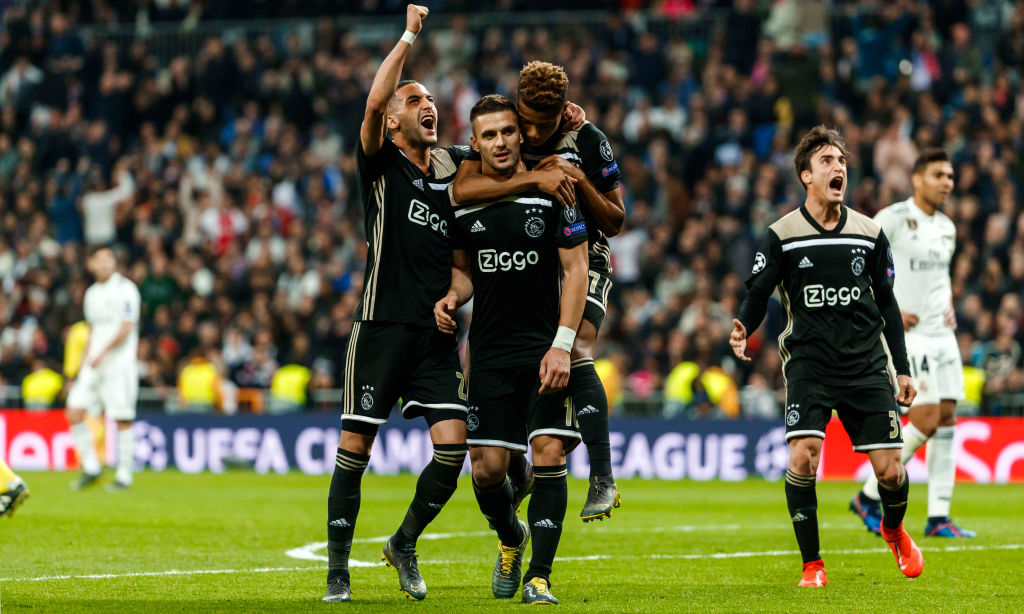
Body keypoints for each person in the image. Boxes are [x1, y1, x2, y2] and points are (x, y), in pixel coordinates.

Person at [729, 126, 922, 587]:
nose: (839, 168)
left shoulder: (869, 234)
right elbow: (759, 291)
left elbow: (888, 304)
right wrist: (742, 325)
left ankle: (892, 529)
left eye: (842, 161)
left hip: (865, 365)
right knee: (803, 459)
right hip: (809, 363)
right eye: (827, 161)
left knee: (891, 472)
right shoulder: (783, 234)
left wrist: (902, 368)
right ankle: (812, 565)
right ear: (806, 176)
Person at [323, 5, 472, 603]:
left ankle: (404, 540)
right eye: (413, 100)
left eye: (431, 98)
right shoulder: (379, 162)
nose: (427, 105)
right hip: (381, 327)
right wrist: (409, 36)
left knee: (454, 446)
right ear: (390, 120)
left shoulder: (452, 171)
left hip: (433, 336)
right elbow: (372, 102)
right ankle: (337, 571)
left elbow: (464, 268)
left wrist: (455, 298)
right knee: (355, 446)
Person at [452, 60, 626, 522]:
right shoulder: (505, 128)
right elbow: (463, 189)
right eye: (524, 120)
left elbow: (616, 220)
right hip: (539, 261)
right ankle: (519, 463)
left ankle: (604, 477)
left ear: (561, 114)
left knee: (578, 344)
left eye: (539, 125)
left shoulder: (587, 139)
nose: (527, 132)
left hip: (585, 256)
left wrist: (577, 179)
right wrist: (536, 176)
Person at [436, 94, 589, 605]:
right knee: (487, 470)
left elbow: (575, 270)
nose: (500, 142)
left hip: (546, 347)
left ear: (521, 134)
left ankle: (540, 577)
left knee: (548, 452)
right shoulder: (467, 198)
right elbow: (464, 271)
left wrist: (563, 345)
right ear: (473, 144)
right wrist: (454, 297)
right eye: (489, 135)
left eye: (507, 132)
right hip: (489, 353)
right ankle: (511, 537)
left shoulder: (557, 191)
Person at [850, 149, 975, 538]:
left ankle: (939, 517)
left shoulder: (948, 228)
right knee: (926, 419)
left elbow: (939, 277)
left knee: (948, 418)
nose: (946, 183)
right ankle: (869, 495)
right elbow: (858, 262)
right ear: (917, 178)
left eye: (951, 176)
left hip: (943, 333)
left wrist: (950, 306)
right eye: (939, 174)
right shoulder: (893, 218)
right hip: (911, 335)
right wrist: (889, 309)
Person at [66, 245, 141, 492]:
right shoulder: (91, 293)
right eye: (100, 259)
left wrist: (102, 353)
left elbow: (126, 327)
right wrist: (84, 361)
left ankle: (124, 475)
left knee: (121, 417)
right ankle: (91, 467)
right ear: (91, 264)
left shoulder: (126, 289)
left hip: (118, 364)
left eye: (110, 258)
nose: (106, 263)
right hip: (94, 364)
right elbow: (92, 330)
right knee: (74, 410)